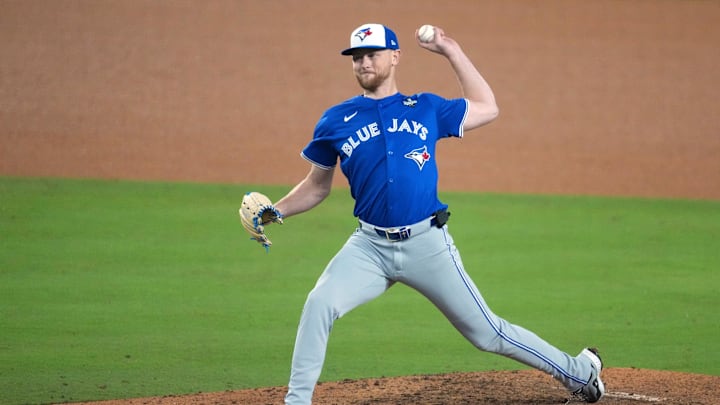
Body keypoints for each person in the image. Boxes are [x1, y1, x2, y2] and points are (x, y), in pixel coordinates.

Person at [271, 23, 605, 404]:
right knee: (319, 303)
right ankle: (297, 401)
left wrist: (451, 50)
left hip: (426, 244)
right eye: (357, 57)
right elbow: (317, 187)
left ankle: (579, 373)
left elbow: (487, 108)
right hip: (368, 247)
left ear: (395, 57)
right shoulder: (335, 120)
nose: (363, 63)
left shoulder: (426, 107)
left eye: (372, 54)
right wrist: (273, 212)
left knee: (487, 333)